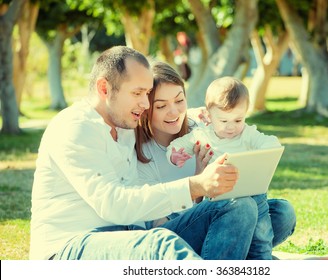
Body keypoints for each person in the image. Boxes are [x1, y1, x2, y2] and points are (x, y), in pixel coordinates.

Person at [29, 46, 258, 260]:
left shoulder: (125, 123)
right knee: (161, 245)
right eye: (138, 93)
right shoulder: (75, 127)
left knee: (237, 206)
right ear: (104, 88)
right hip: (71, 247)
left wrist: (208, 115)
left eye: (147, 94)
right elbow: (113, 204)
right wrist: (195, 185)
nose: (146, 104)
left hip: (131, 236)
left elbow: (172, 114)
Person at [136, 61, 296, 260]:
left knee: (282, 212)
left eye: (179, 100)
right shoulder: (142, 155)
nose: (174, 112)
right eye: (161, 106)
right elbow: (158, 227)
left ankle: (234, 251)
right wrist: (198, 184)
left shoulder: (204, 127)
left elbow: (220, 111)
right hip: (176, 230)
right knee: (241, 207)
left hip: (224, 211)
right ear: (145, 108)